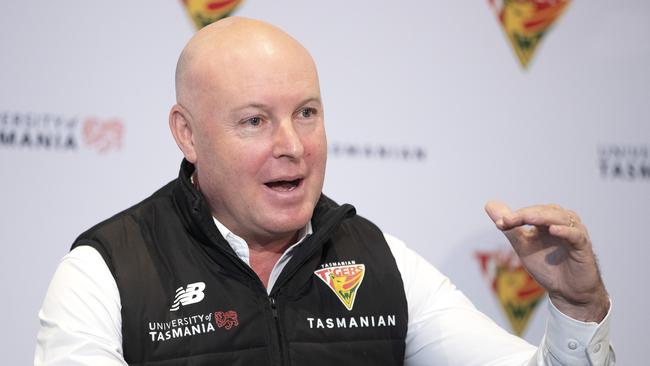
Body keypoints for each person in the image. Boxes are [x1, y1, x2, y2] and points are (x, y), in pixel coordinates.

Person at [35, 17, 614, 365]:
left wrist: (578, 309)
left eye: (306, 113)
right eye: (255, 121)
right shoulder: (105, 271)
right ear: (187, 134)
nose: (293, 145)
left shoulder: (381, 261)